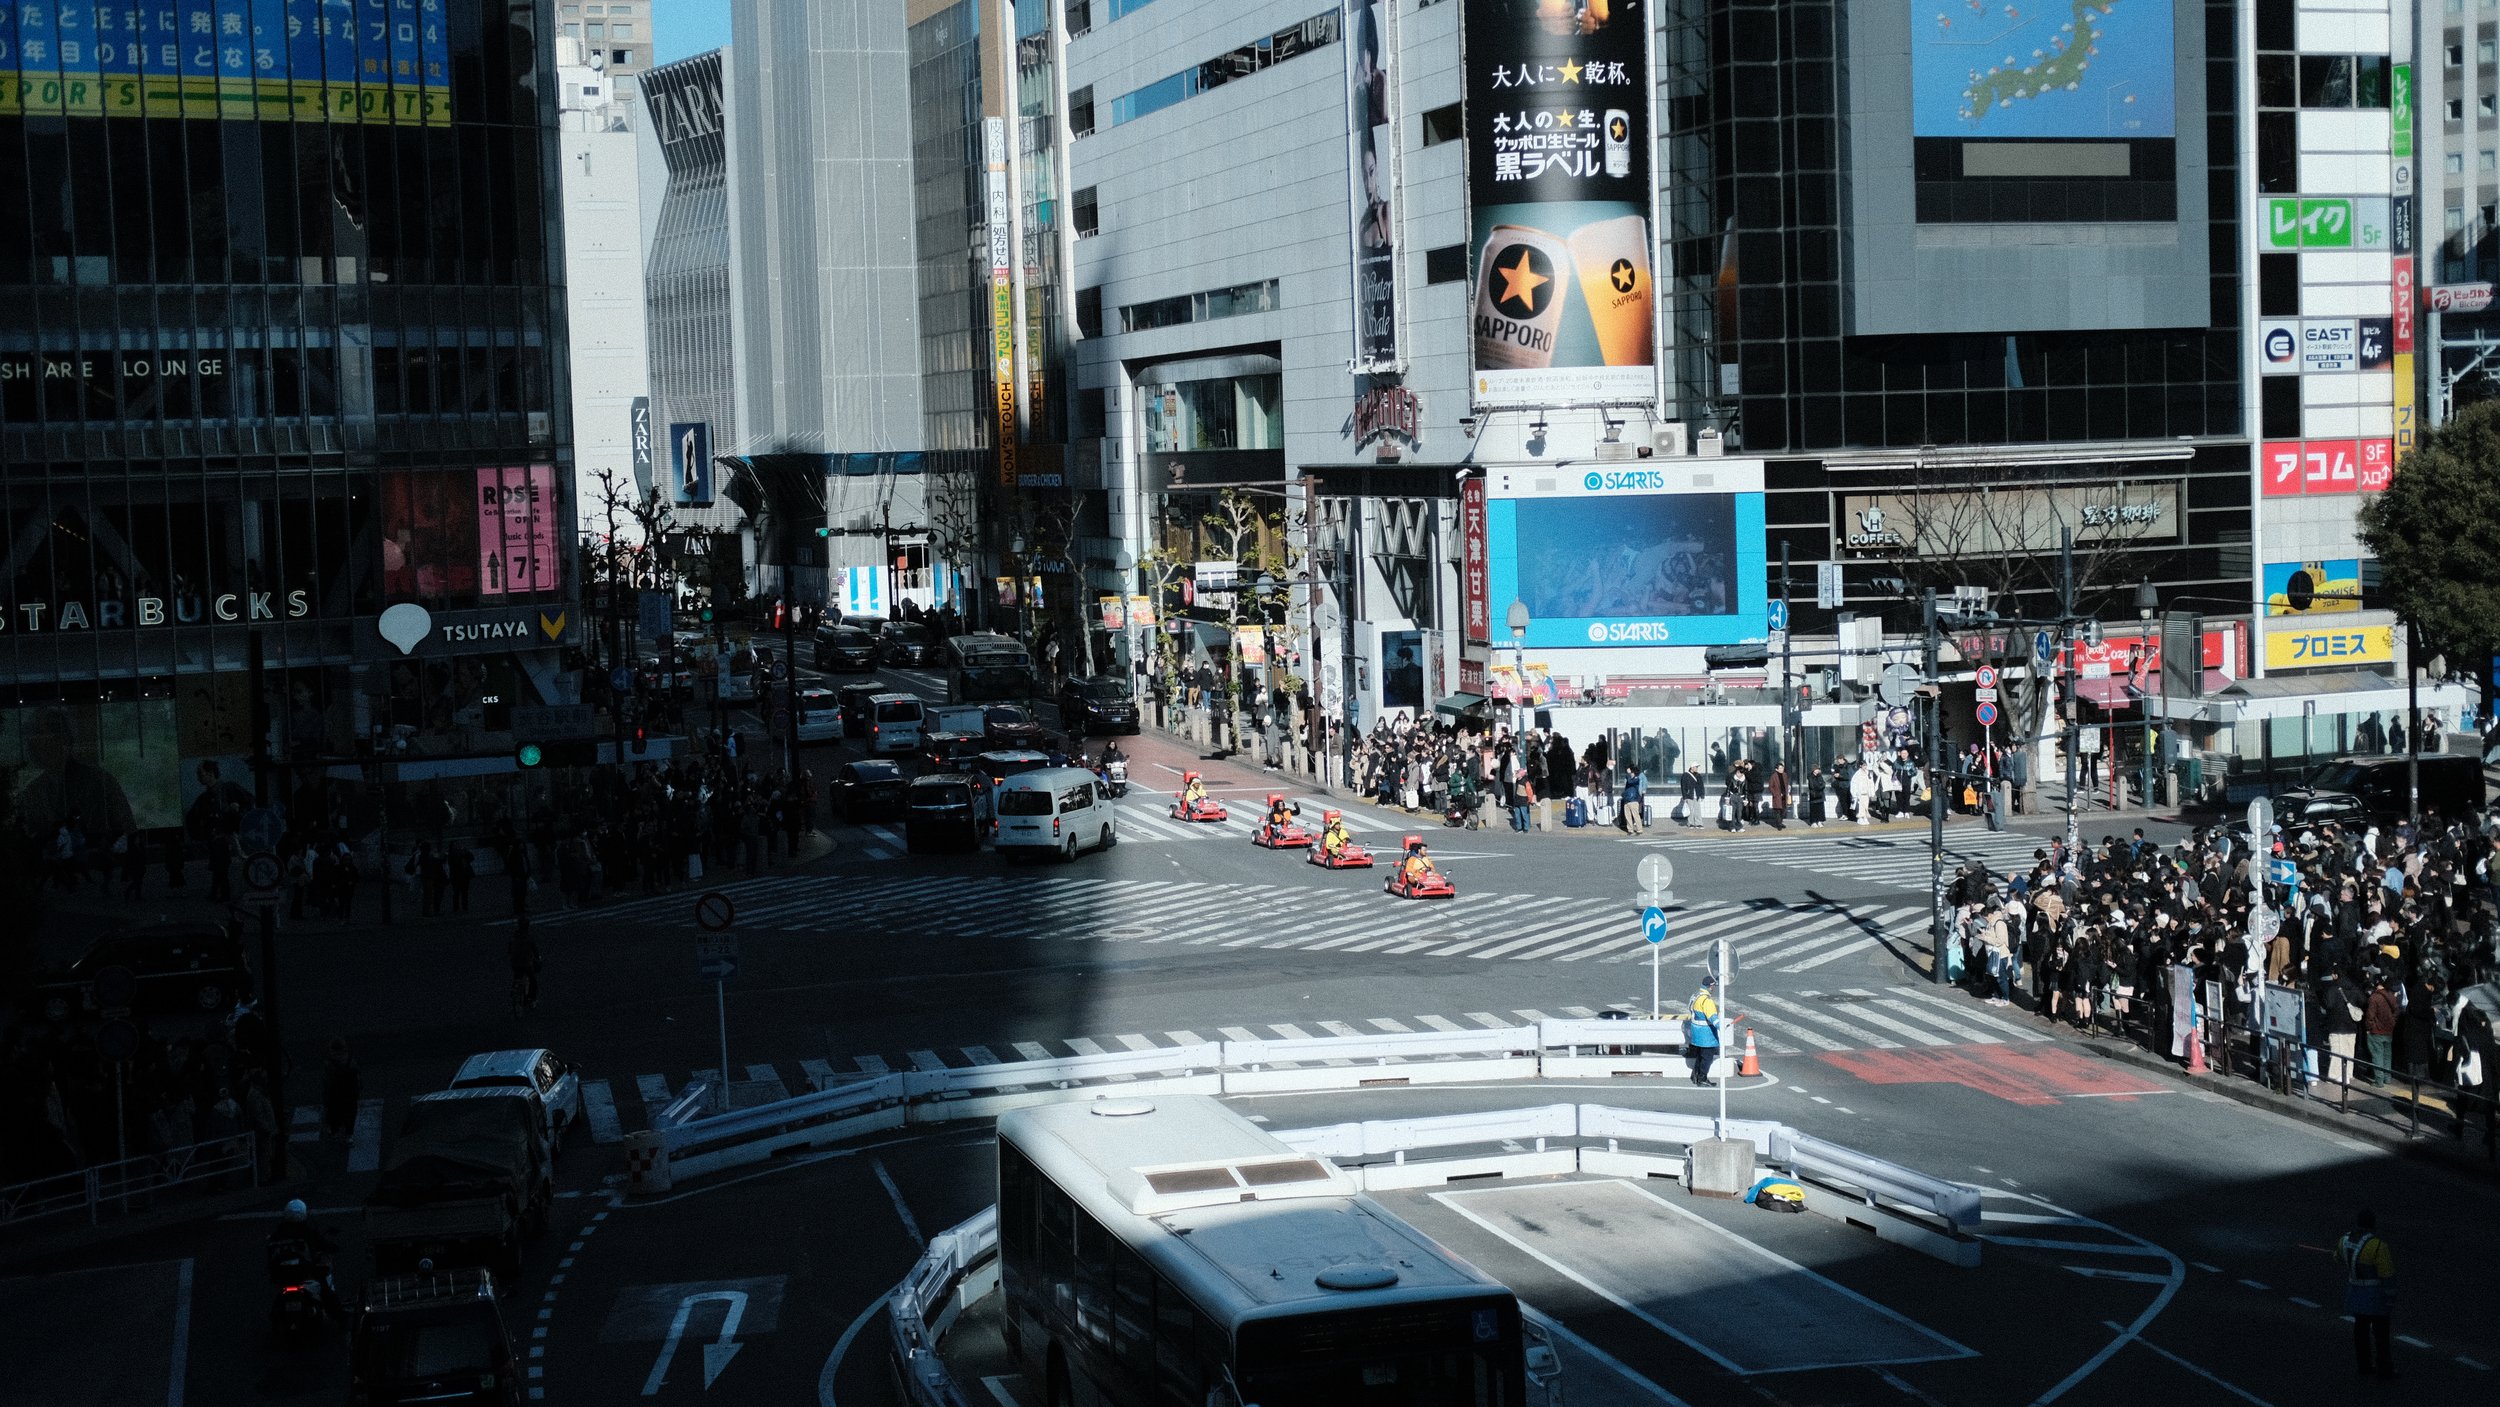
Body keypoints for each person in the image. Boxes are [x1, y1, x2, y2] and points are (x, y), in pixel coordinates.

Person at [2337, 1209, 2398, 1379]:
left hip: (2355, 1295)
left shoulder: (2344, 1240)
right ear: (2373, 1224)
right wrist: (2390, 1300)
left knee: (2360, 1331)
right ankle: (2385, 1369)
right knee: (2381, 1335)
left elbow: (2337, 1258)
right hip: (2376, 1298)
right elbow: (2387, 1276)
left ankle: (2363, 1365)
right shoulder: (2378, 1246)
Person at [267, 1199, 343, 1323]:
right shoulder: (307, 1232)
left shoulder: (277, 1234)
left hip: (282, 1277)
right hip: (304, 1273)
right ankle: (340, 1319)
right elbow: (322, 1244)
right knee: (326, 1290)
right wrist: (332, 1247)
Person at [1686, 978, 1724, 1086]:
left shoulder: (1696, 995)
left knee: (1700, 1055)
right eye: (1713, 986)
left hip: (1696, 1031)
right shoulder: (1707, 1001)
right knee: (1707, 1058)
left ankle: (1695, 1075)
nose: (1713, 988)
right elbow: (1712, 1017)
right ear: (1710, 986)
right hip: (1706, 1034)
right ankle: (1702, 1078)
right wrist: (1721, 1026)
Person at [508, 918, 543, 1013]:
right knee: (533, 980)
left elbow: (509, 950)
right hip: (526, 963)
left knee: (517, 975)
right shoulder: (529, 938)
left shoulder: (514, 937)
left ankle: (514, 988)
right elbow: (535, 951)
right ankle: (530, 998)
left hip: (515, 962)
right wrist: (538, 959)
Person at [1621, 769, 1646, 835]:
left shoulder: (1636, 780)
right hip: (1627, 800)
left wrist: (1628, 774)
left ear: (1634, 773)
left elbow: (1630, 782)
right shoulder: (1629, 780)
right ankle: (1630, 830)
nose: (1630, 774)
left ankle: (1639, 830)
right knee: (1627, 816)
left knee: (1635, 815)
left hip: (1633, 800)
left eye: (1631, 773)